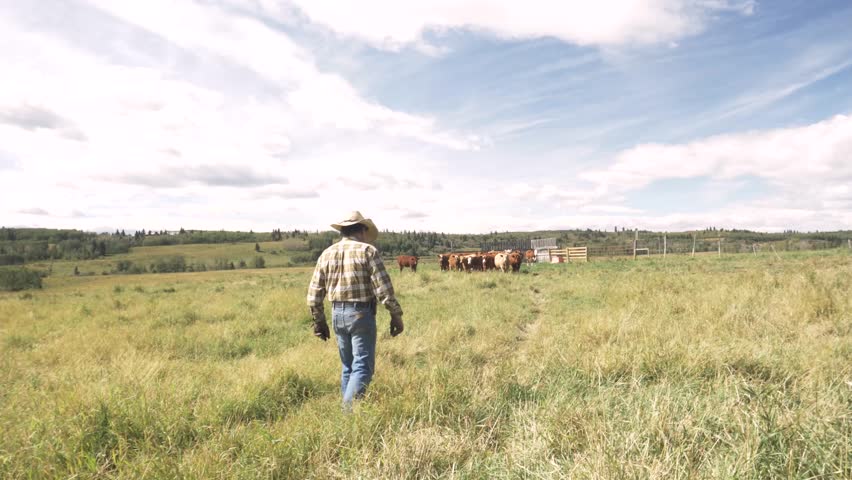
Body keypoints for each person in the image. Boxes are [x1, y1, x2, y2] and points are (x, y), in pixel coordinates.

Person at [306, 211, 404, 408]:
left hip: (337, 314)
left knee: (348, 366)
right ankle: (348, 413)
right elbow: (383, 289)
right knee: (362, 367)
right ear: (362, 230)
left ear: (343, 230)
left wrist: (319, 321)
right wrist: (395, 315)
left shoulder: (326, 254)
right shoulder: (368, 251)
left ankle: (348, 410)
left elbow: (314, 294)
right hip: (361, 312)